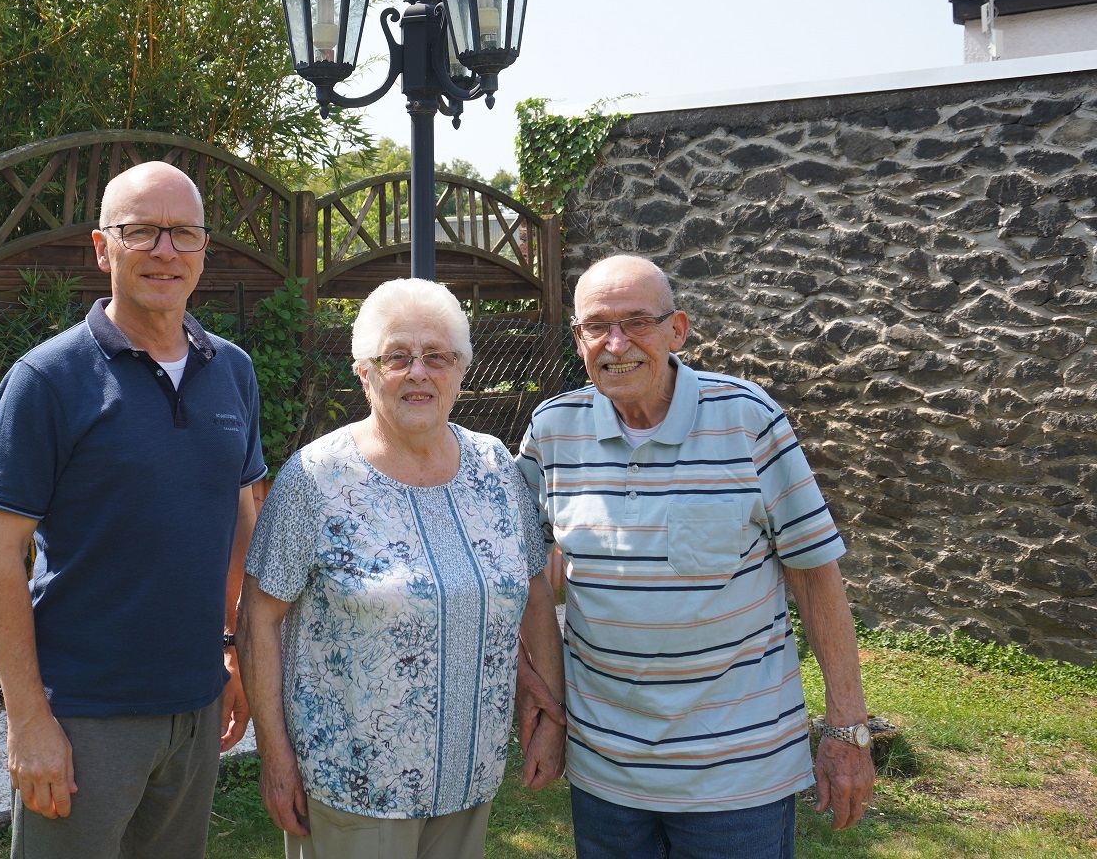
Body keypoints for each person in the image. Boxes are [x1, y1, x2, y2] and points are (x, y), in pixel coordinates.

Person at [517, 254, 874, 859]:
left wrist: (846, 729)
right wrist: (547, 702)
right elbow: (525, 571)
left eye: (637, 322)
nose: (616, 343)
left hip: (738, 777)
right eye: (596, 326)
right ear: (576, 339)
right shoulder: (554, 432)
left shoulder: (747, 420)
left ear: (677, 329)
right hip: (606, 772)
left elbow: (815, 577)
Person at [0, 160, 265, 858]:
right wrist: (28, 720)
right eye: (142, 232)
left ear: (203, 251)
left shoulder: (233, 371)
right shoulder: (47, 378)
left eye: (183, 234)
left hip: (196, 705)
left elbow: (241, 518)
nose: (165, 250)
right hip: (83, 716)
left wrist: (235, 653)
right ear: (102, 248)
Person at [238, 278, 566, 859]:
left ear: (461, 370)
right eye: (397, 357)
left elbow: (534, 593)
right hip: (353, 787)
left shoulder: (494, 467)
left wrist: (550, 715)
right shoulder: (315, 480)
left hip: (469, 774)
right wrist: (277, 758)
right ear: (365, 373)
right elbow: (259, 619)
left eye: (437, 356)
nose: (419, 372)